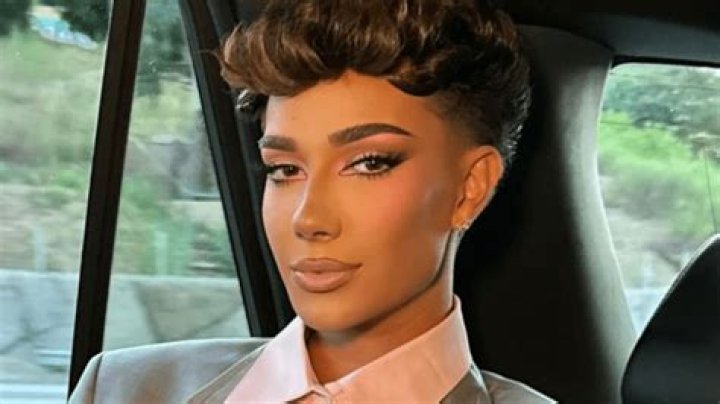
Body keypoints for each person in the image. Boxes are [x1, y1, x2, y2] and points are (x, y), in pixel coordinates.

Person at [70, 0, 555, 402]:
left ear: (470, 187)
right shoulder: (122, 389)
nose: (308, 218)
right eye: (284, 170)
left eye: (368, 163)